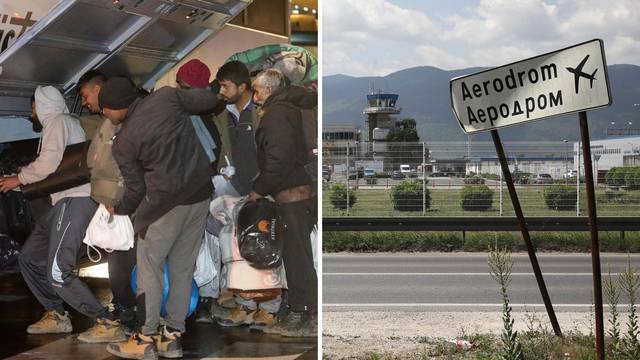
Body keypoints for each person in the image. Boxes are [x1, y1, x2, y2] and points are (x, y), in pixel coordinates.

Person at [100, 77, 218, 359]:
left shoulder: (124, 142)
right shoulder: (167, 97)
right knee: (182, 268)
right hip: (200, 194)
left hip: (165, 206)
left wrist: (121, 207)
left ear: (118, 107)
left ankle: (144, 338)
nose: (103, 113)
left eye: (105, 109)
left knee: (149, 270)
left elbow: (136, 188)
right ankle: (172, 337)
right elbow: (208, 101)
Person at [0, 86, 127, 343]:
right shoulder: (62, 124)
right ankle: (57, 314)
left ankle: (107, 321)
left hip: (74, 201)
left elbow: (48, 163)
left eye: (34, 106)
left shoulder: (58, 122)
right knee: (30, 258)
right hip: (62, 202)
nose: (32, 112)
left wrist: (18, 178)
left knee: (58, 269)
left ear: (44, 104)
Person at [213, 60, 281, 330]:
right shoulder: (224, 115)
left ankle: (269, 308)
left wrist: (262, 185)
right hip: (234, 190)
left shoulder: (261, 114)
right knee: (237, 250)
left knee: (264, 247)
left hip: (261, 190)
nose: (221, 90)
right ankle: (244, 304)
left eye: (225, 85)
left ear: (243, 87)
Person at [249, 68, 317, 337]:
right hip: (298, 193)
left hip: (290, 195)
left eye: (256, 90)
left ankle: (306, 314)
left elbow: (278, 159)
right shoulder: (291, 107)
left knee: (297, 258)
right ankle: (301, 310)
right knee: (298, 256)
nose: (254, 98)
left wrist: (259, 189)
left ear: (268, 89)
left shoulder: (276, 114)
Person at [77, 70, 137, 335]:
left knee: (125, 259)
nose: (85, 102)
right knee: (118, 257)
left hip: (122, 202)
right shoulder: (106, 121)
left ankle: (129, 312)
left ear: (99, 90)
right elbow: (97, 157)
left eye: (86, 95)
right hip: (112, 200)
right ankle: (126, 307)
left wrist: (120, 200)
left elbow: (126, 164)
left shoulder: (123, 120)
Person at [173, 59, 233, 325]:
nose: (178, 90)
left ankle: (206, 299)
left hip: (199, 191)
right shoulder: (207, 116)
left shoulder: (197, 119)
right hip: (203, 190)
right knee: (206, 246)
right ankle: (206, 299)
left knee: (204, 247)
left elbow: (206, 157)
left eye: (182, 86)